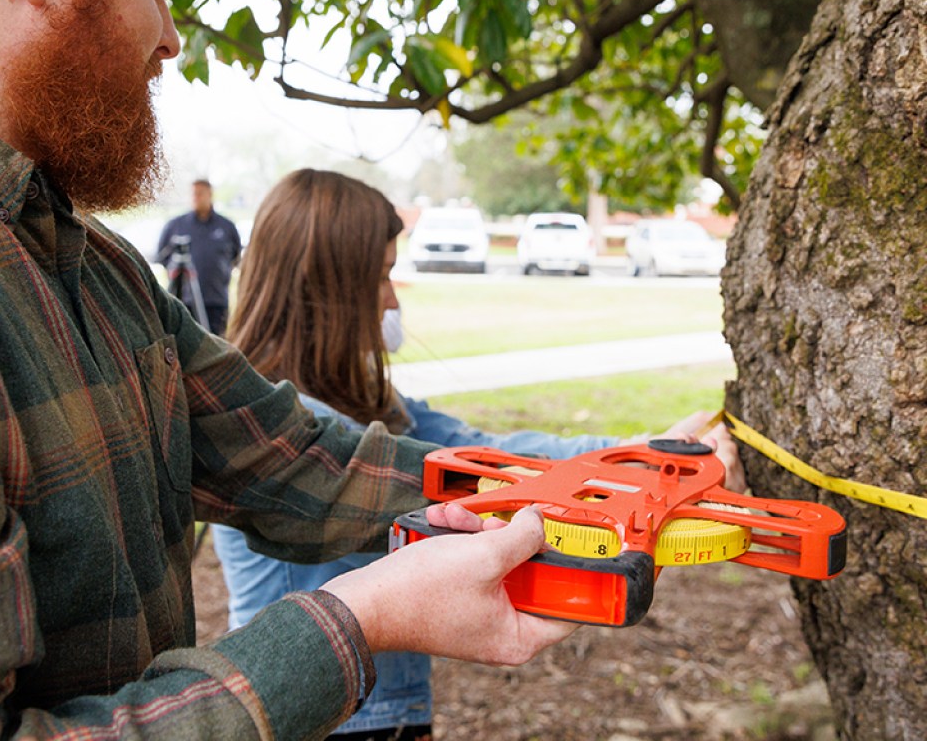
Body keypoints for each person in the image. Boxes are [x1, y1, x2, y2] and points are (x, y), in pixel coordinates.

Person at [0, 0, 587, 741]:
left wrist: (583, 484)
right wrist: (355, 619)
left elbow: (294, 459)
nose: (170, 34)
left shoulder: (96, 272)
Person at [212, 169, 744, 741]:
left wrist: (644, 453)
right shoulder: (292, 439)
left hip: (380, 710)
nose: (393, 298)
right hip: (319, 723)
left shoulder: (372, 403)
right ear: (329, 286)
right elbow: (484, 479)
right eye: (383, 275)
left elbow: (497, 456)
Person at [156, 178, 242, 334]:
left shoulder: (227, 226)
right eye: (193, 194)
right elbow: (162, 257)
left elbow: (236, 257)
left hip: (215, 301)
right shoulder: (175, 225)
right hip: (183, 302)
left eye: (200, 193)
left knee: (216, 348)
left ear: (210, 194)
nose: (195, 197)